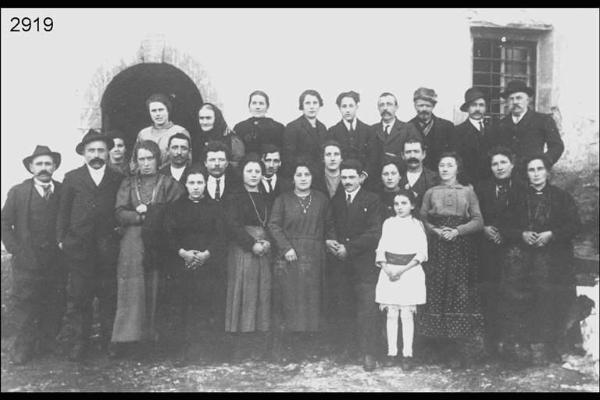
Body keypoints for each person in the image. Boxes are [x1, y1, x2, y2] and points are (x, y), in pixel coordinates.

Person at [497, 155, 580, 366]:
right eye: (531, 170)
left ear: (547, 172)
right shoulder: (517, 198)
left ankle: (551, 346)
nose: (535, 174)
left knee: (550, 300)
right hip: (523, 263)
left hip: (553, 261)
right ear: (526, 174)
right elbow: (505, 227)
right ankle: (522, 348)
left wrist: (552, 234)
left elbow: (574, 225)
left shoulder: (562, 197)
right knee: (522, 301)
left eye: (539, 169)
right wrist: (522, 234)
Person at [110, 140, 184, 357]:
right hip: (132, 241)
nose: (145, 163)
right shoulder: (128, 183)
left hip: (158, 241)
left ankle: (153, 339)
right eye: (141, 159)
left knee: (155, 286)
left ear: (158, 159)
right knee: (131, 289)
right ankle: (126, 339)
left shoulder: (169, 184)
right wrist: (140, 216)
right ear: (136, 161)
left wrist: (151, 213)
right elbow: (120, 212)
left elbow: (175, 213)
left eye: (149, 158)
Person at [57, 129, 124, 361]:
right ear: (84, 154)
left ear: (108, 153)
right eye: (91, 151)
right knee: (79, 298)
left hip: (108, 248)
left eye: (101, 150)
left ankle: (108, 341)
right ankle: (79, 342)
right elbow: (62, 213)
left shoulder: (117, 177)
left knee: (108, 296)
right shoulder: (72, 178)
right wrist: (63, 240)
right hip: (79, 249)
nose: (96, 155)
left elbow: (122, 208)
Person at [418, 152, 484, 369]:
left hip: (459, 248)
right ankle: (437, 348)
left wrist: (457, 231)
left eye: (450, 165)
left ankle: (456, 350)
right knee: (435, 290)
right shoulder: (431, 192)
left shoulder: (468, 192)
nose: (445, 169)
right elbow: (423, 217)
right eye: (442, 165)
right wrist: (435, 231)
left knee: (456, 293)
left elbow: (478, 221)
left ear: (457, 168)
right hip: (437, 247)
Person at [1, 146, 66, 365]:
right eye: (39, 164)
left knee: (54, 302)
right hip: (27, 260)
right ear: (30, 167)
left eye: (48, 164)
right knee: (26, 305)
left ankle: (47, 343)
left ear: (55, 166)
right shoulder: (18, 192)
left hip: (56, 260)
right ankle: (22, 348)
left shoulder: (63, 190)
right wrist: (15, 249)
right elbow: (4, 223)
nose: (44, 168)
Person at [268, 159, 335, 362]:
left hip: (314, 255)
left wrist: (331, 240)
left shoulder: (322, 199)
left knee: (312, 300)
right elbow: (273, 225)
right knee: (291, 299)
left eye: (307, 174)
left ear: (312, 177)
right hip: (291, 255)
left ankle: (310, 346)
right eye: (299, 175)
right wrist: (286, 247)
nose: (303, 178)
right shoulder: (283, 199)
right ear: (293, 178)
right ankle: (289, 348)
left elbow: (330, 225)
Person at [163, 165, 226, 364]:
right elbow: (168, 235)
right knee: (181, 308)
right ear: (186, 185)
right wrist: (184, 254)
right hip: (182, 264)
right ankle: (182, 353)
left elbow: (221, 235)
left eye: (200, 182)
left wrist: (206, 255)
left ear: (205, 183)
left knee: (206, 308)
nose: (196, 187)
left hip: (208, 265)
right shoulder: (175, 208)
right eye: (192, 183)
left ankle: (205, 352)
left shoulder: (215, 207)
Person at [328, 159, 383, 371]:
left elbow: (375, 233)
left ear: (361, 177)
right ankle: (348, 349)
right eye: (344, 177)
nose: (347, 181)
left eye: (352, 177)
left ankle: (369, 352)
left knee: (367, 310)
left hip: (364, 264)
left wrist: (349, 248)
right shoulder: (337, 200)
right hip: (341, 265)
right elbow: (330, 224)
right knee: (344, 305)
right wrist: (331, 241)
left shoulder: (372, 199)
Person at [474, 146, 525, 358]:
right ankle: (491, 343)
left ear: (512, 165)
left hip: (513, 250)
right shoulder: (481, 188)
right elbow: (474, 214)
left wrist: (505, 233)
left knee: (513, 296)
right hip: (487, 250)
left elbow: (525, 218)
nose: (499, 167)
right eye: (495, 164)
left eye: (503, 162)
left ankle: (512, 344)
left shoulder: (523, 188)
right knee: (489, 295)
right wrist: (484, 228)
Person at [224, 154, 274, 361]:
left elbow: (271, 223)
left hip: (264, 249)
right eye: (249, 171)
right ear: (242, 173)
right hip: (243, 249)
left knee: (262, 293)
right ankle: (240, 345)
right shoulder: (234, 196)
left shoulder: (266, 196)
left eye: (257, 171)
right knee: (243, 292)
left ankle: (258, 345)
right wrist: (251, 244)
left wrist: (268, 241)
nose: (253, 175)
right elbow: (232, 225)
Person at [375, 189, 428, 371]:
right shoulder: (388, 223)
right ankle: (392, 352)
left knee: (406, 314)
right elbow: (381, 248)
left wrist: (403, 270)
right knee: (391, 313)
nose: (399, 207)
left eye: (404, 203)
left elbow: (421, 252)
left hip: (409, 273)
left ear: (412, 205)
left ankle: (407, 354)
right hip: (389, 271)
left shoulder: (417, 225)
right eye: (396, 204)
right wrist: (387, 269)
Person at [496, 80, 564, 171]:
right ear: (507, 102)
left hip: (533, 176)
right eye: (511, 99)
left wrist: (543, 163)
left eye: (519, 98)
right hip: (508, 177)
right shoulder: (500, 124)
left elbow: (557, 146)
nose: (515, 102)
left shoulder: (543, 120)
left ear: (528, 100)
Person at [370, 92, 417, 183]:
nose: (385, 108)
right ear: (378, 108)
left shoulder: (408, 129)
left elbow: (413, 156)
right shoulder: (372, 130)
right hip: (376, 182)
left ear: (396, 107)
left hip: (401, 179)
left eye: (389, 104)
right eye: (381, 105)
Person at [136, 93, 191, 169]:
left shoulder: (180, 131)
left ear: (168, 110)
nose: (158, 114)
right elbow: (134, 161)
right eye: (154, 111)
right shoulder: (143, 134)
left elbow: (188, 160)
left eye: (161, 110)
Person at [327, 91, 373, 179]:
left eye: (351, 106)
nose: (347, 110)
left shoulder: (368, 130)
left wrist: (365, 174)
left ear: (357, 106)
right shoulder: (332, 132)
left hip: (365, 179)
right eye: (344, 106)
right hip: (342, 179)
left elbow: (372, 157)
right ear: (339, 108)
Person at [407, 87, 455, 171]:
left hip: (440, 176)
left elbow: (453, 156)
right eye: (421, 105)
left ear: (434, 106)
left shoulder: (447, 127)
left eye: (428, 106)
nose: (424, 109)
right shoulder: (407, 128)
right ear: (415, 105)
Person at [454, 88, 495, 184]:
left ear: (485, 108)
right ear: (467, 108)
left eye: (481, 105)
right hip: (469, 185)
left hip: (491, 185)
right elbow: (457, 161)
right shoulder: (458, 131)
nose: (477, 109)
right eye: (473, 105)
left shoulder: (494, 130)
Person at [282, 90, 328, 176]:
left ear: (319, 105)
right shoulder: (293, 127)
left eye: (315, 103)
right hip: (301, 175)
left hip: (320, 175)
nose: (312, 107)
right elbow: (289, 157)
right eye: (307, 103)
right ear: (302, 106)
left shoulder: (322, 128)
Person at [234, 90, 285, 155]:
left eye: (261, 103)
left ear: (267, 107)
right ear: (249, 106)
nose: (257, 107)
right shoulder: (240, 127)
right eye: (254, 103)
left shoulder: (278, 128)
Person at [194, 103, 245, 167]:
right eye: (201, 118)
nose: (204, 122)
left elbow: (237, 163)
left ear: (216, 118)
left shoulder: (232, 139)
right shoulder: (197, 139)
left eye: (208, 118)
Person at [398, 139, 439, 210]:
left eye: (416, 152)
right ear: (402, 155)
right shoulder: (396, 178)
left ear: (423, 154)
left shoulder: (435, 178)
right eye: (408, 152)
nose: (412, 156)